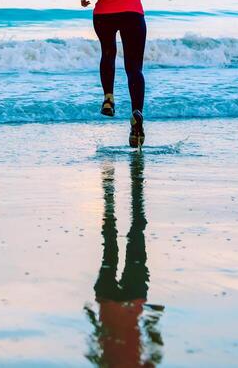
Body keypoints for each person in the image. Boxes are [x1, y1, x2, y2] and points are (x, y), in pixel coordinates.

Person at [79, 0, 159, 147]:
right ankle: (137, 114)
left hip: (105, 13)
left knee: (108, 52)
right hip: (133, 13)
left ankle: (108, 99)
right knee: (134, 68)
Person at [85, 153, 162, 367]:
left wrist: (153, 321)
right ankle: (112, 186)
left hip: (132, 303)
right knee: (111, 245)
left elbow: (155, 354)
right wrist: (91, 318)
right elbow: (96, 346)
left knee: (136, 233)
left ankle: (133, 180)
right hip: (108, 302)